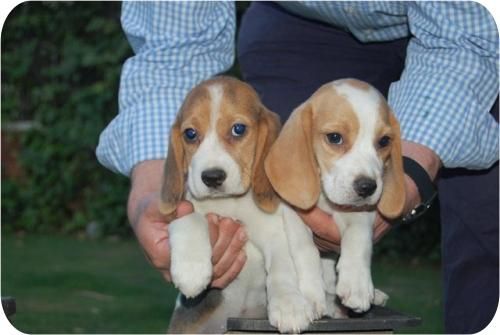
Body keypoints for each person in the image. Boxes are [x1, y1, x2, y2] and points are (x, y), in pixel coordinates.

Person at [96, 2, 499, 333]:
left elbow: (470, 34)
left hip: (468, 34)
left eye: (237, 131)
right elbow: (175, 41)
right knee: (291, 205)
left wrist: (409, 174)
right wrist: (152, 188)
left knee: (487, 227)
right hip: (299, 21)